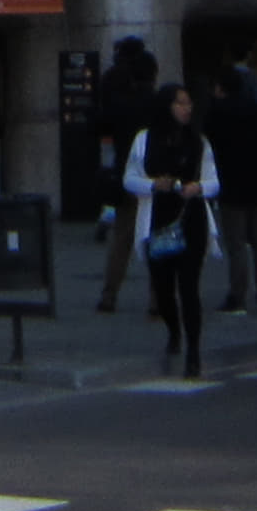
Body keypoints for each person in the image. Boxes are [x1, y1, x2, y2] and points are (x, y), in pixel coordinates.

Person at [122, 81, 213, 377]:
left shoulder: (198, 141)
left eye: (188, 103)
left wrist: (197, 187)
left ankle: (194, 352)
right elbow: (129, 178)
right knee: (163, 288)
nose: (187, 109)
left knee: (189, 287)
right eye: (180, 103)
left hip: (191, 219)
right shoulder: (144, 140)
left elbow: (214, 181)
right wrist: (153, 184)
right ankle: (174, 329)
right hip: (158, 219)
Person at [203, 65, 257, 315]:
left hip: (231, 183)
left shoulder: (217, 113)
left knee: (236, 244)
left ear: (220, 88)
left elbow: (210, 147)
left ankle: (238, 295)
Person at [89, 38, 159, 313]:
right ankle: (157, 298)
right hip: (155, 177)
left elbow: (98, 124)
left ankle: (109, 294)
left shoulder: (120, 101)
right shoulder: (158, 104)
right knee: (156, 238)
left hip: (127, 172)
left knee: (122, 238)